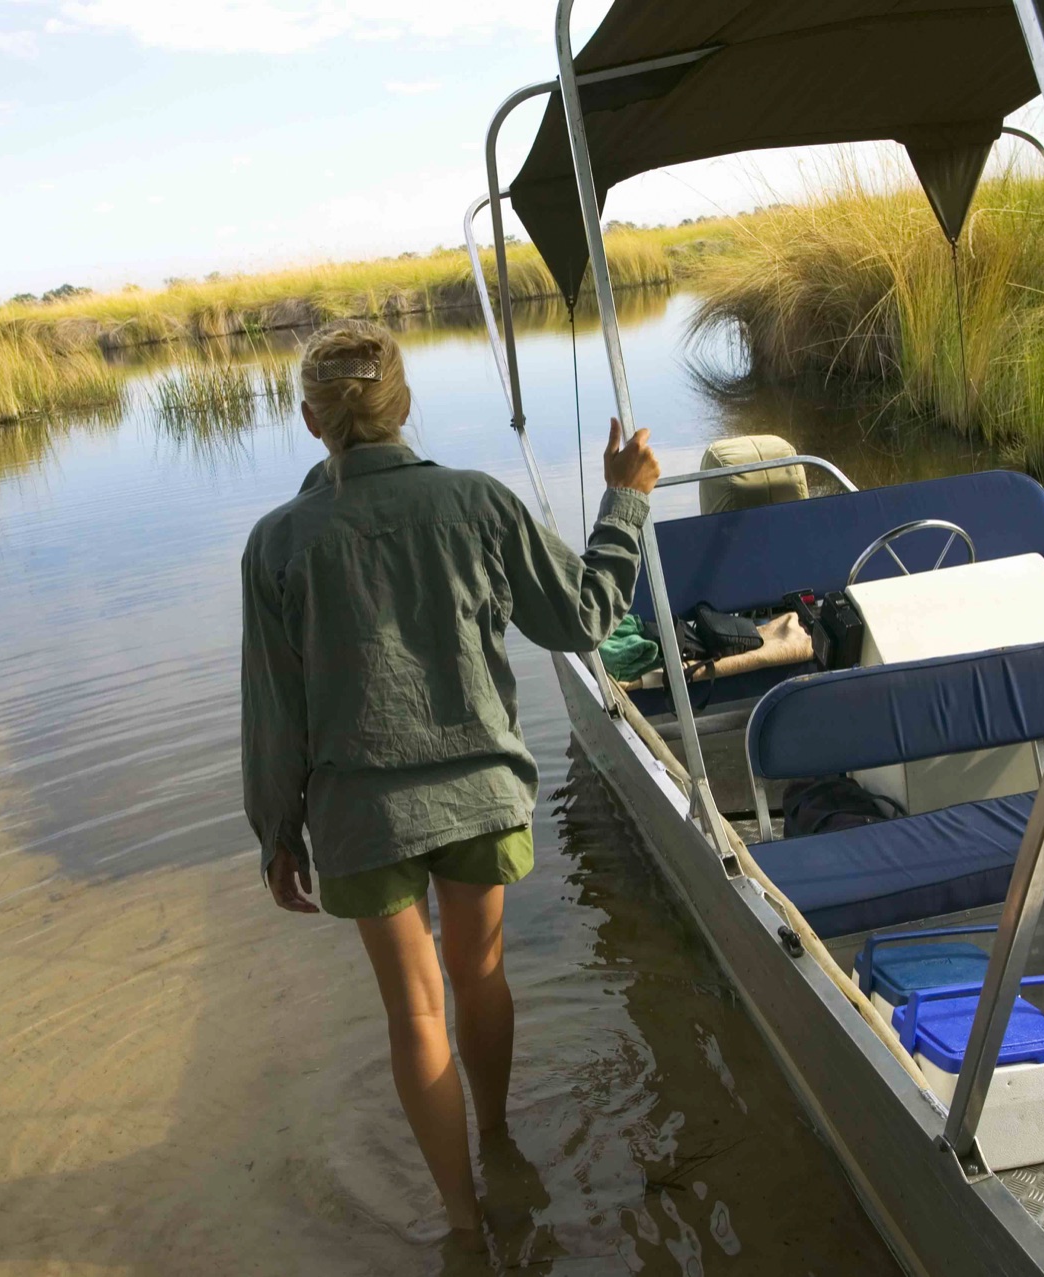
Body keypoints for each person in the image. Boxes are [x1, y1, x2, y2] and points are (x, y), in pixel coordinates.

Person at [240, 319, 659, 1235]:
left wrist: (275, 831)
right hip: (479, 792)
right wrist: (624, 500)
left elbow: (273, 710)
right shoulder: (478, 502)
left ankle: (464, 1221)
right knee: (480, 974)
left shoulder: (278, 543)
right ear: (404, 408)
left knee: (416, 1009)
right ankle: (500, 1137)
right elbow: (585, 617)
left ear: (312, 421)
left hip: (359, 817)